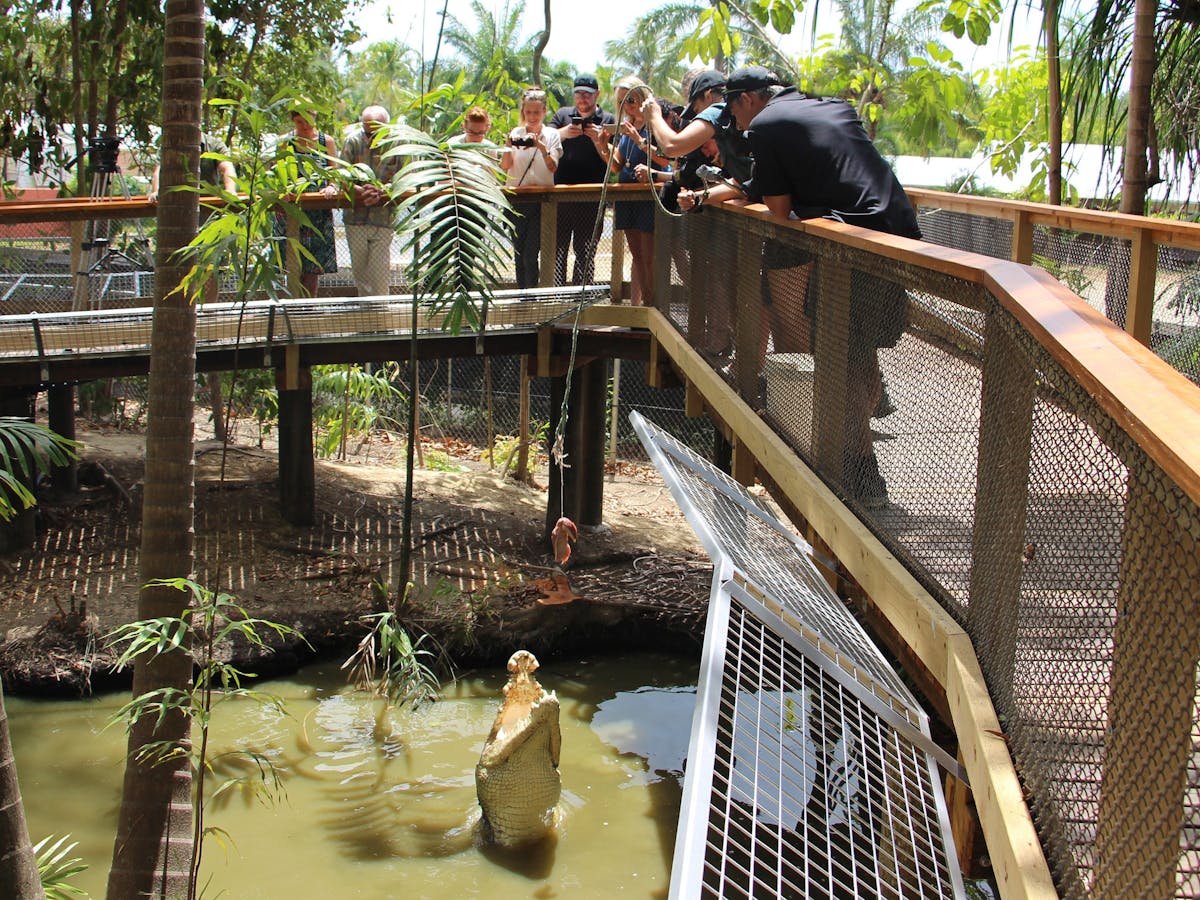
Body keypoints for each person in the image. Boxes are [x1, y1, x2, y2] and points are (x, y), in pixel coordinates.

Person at [690, 66, 922, 506]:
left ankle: (859, 478)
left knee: (841, 360)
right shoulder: (831, 105)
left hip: (851, 244)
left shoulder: (764, 125)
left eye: (732, 112)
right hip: (899, 234)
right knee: (861, 352)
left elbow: (778, 210)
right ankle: (858, 464)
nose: (734, 124)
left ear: (746, 100)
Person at [598, 77, 670, 306]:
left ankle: (654, 306)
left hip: (649, 199)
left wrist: (639, 140)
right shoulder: (626, 129)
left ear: (642, 99)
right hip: (627, 198)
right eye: (621, 102)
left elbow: (667, 158)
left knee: (650, 256)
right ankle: (644, 305)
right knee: (637, 256)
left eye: (630, 100)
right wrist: (601, 144)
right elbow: (617, 165)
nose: (627, 106)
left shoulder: (654, 125)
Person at [549, 75, 616, 286]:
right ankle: (556, 296)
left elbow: (616, 160)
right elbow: (544, 138)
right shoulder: (562, 115)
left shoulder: (608, 120)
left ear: (597, 95)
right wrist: (565, 133)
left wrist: (599, 141)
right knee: (557, 249)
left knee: (586, 250)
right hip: (560, 196)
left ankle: (581, 299)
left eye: (587, 94)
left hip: (592, 197)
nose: (583, 98)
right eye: (579, 94)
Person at [500, 87, 563, 289]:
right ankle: (522, 294)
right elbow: (505, 166)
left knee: (531, 252)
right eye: (528, 112)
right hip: (517, 199)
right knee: (519, 252)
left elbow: (553, 166)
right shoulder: (516, 133)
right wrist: (509, 145)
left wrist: (541, 147)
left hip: (542, 201)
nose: (533, 116)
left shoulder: (551, 135)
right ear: (523, 112)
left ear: (544, 111)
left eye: (537, 112)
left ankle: (533, 295)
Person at [274, 109, 339, 298]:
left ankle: (309, 308)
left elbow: (334, 174)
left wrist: (331, 187)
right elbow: (277, 174)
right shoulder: (285, 141)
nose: (305, 126)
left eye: (308, 120)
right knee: (292, 264)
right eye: (300, 122)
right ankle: (293, 307)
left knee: (313, 267)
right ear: (293, 121)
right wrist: (283, 189)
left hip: (317, 213)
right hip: (290, 212)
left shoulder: (326, 141)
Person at [340, 105, 400, 297]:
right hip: (355, 219)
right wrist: (361, 191)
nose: (371, 138)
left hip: (383, 218)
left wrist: (381, 191)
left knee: (380, 272)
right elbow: (342, 177)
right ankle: (367, 318)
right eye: (368, 133)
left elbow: (405, 177)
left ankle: (382, 318)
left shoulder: (398, 144)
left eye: (376, 132)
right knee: (360, 272)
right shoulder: (353, 141)